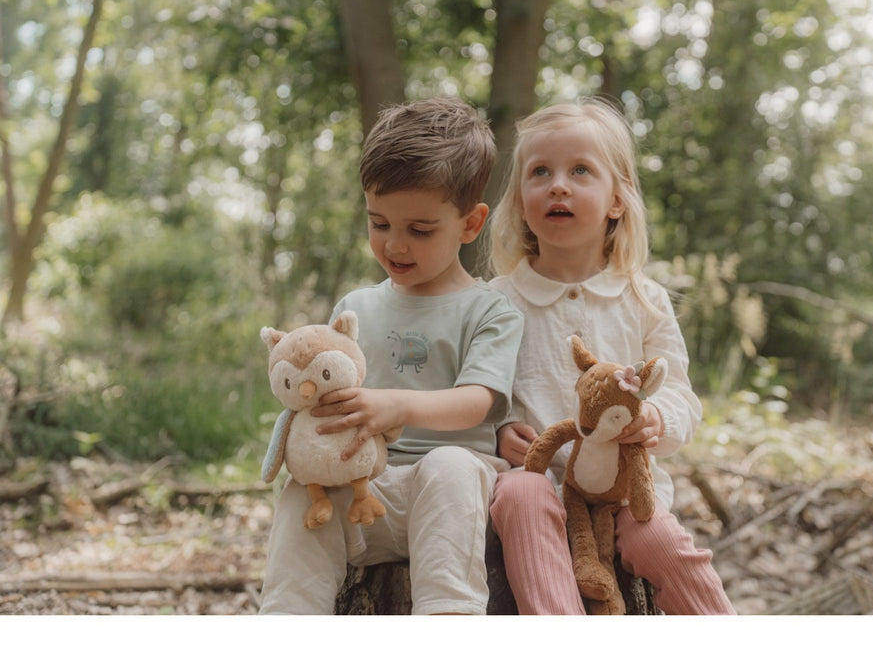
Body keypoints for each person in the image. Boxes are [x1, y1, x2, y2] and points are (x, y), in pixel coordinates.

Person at [258, 99, 523, 615]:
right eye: (379, 223)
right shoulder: (354, 309)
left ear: (470, 224)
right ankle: (289, 613)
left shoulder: (489, 309)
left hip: (452, 503)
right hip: (363, 489)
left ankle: (448, 612)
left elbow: (478, 401)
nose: (394, 245)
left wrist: (396, 405)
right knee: (299, 493)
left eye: (420, 230)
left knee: (449, 465)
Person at [487, 98, 735, 615]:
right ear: (520, 201)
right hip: (537, 482)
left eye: (580, 170)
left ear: (617, 200)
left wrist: (655, 417)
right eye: (540, 172)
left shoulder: (643, 299)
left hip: (625, 491)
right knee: (521, 496)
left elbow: (681, 395)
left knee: (659, 540)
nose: (558, 185)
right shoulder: (497, 302)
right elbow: (476, 392)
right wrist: (498, 430)